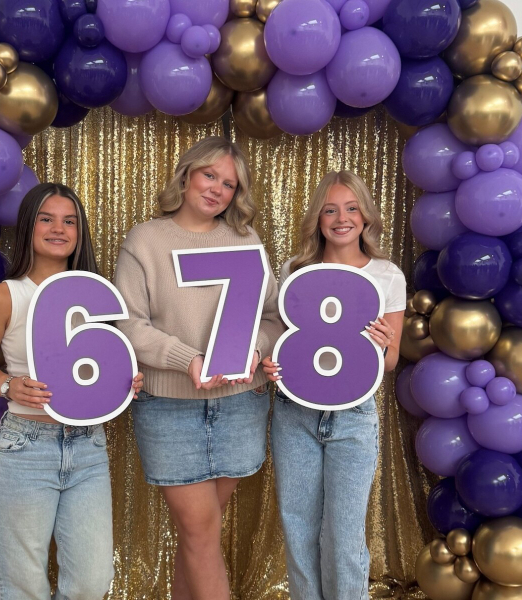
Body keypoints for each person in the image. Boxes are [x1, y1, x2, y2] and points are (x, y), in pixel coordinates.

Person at [113, 137, 284, 600]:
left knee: (198, 536)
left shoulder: (246, 240)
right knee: (200, 531)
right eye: (210, 175)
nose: (217, 190)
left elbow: (272, 316)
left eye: (229, 184)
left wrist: (256, 351)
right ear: (187, 174)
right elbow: (126, 322)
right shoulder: (145, 240)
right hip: (169, 408)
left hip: (239, 405)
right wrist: (183, 358)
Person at [0, 182, 143, 600]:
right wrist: (10, 385)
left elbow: (100, 364)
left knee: (91, 582)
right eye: (46, 219)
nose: (58, 228)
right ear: (28, 227)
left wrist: (124, 381)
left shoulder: (98, 298)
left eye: (69, 221)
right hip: (24, 448)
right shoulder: (4, 295)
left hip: (87, 448)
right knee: (25, 584)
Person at [261, 170, 406, 600]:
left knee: (343, 535)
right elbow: (282, 343)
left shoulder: (387, 275)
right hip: (295, 413)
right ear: (317, 219)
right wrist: (271, 366)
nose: (341, 218)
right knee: (299, 527)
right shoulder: (296, 271)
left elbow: (393, 360)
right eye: (329, 210)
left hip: (354, 418)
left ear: (365, 216)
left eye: (351, 208)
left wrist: (382, 346)